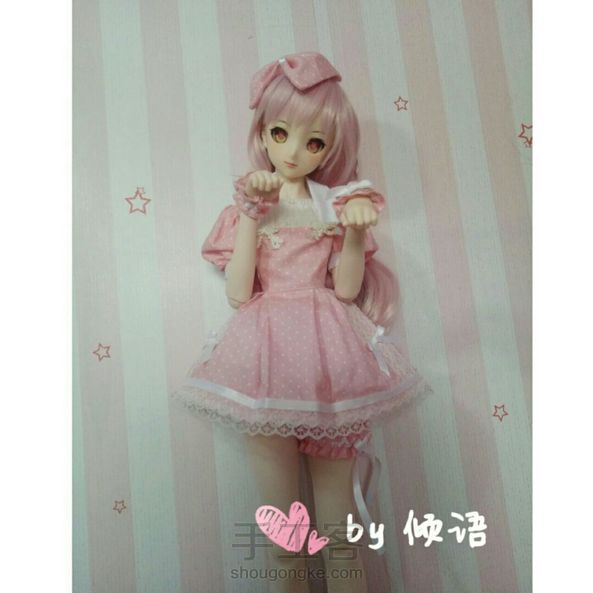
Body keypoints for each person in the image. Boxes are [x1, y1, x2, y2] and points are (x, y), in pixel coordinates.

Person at [172, 51, 430, 593]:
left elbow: (346, 290)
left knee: (340, 537)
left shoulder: (334, 204)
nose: (292, 152)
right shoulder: (246, 206)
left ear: (329, 149)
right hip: (265, 366)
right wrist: (250, 213)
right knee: (284, 540)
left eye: (314, 143)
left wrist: (354, 231)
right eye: (280, 133)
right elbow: (240, 293)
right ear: (263, 133)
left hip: (329, 363)